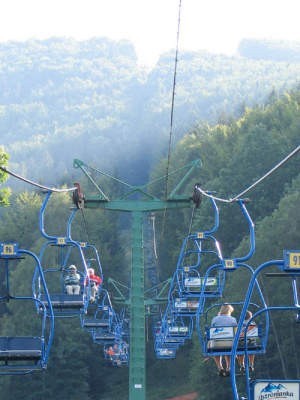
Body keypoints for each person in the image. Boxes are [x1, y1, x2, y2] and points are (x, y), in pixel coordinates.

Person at [211, 304, 237, 377]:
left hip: (217, 343)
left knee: (216, 349)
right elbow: (236, 331)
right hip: (230, 343)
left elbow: (212, 330)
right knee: (228, 350)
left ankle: (220, 367)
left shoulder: (215, 319)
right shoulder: (233, 319)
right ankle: (228, 367)